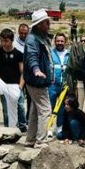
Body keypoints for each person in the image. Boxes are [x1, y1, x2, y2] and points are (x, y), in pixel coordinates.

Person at [23, 9, 54, 148]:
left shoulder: (41, 37)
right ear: (40, 24)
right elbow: (32, 57)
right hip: (36, 80)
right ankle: (41, 140)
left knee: (35, 110)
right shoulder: (32, 39)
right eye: (46, 22)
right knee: (45, 109)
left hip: (39, 80)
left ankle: (30, 139)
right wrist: (37, 70)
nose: (49, 24)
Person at [0, 28, 23, 128]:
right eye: (2, 40)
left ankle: (12, 130)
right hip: (1, 81)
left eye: (6, 41)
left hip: (14, 85)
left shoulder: (18, 54)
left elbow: (22, 72)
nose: (3, 43)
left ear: (11, 40)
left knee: (12, 111)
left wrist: (20, 87)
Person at [49, 33, 70, 134]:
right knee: (50, 106)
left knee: (62, 107)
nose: (60, 43)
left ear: (65, 42)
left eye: (62, 41)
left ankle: (59, 127)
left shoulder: (69, 54)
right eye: (58, 41)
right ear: (54, 41)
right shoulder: (50, 52)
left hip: (64, 85)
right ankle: (49, 127)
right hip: (52, 85)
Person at [13, 22, 30, 131]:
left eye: (25, 33)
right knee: (18, 98)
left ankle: (28, 120)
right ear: (18, 32)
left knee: (31, 99)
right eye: (22, 33)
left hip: (30, 75)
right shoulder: (14, 43)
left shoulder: (31, 43)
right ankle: (18, 121)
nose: (23, 35)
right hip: (16, 75)